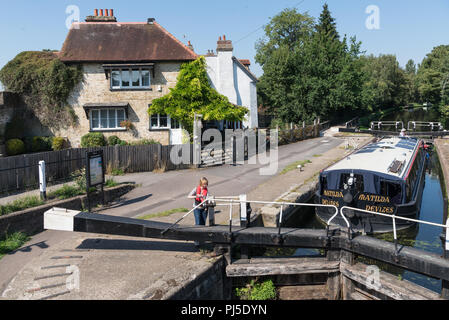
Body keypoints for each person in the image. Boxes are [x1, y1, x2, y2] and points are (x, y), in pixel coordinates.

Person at [188, 177, 209, 248]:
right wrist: (196, 195)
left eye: (206, 184)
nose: (205, 186)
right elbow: (188, 196)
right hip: (197, 208)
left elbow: (208, 199)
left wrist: (206, 206)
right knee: (198, 223)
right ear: (201, 183)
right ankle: (196, 240)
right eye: (204, 184)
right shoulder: (196, 189)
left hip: (204, 208)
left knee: (203, 224)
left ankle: (201, 239)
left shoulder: (206, 190)